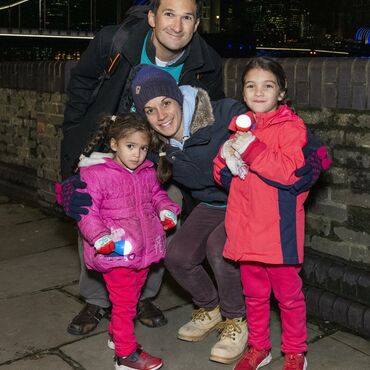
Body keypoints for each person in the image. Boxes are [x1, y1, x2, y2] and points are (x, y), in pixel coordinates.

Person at [61, 65, 331, 365]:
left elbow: (279, 126)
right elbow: (120, 161)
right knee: (177, 254)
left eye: (165, 102)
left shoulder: (224, 112)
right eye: (150, 110)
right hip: (213, 204)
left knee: (221, 251)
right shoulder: (153, 144)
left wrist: (316, 154)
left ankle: (236, 319)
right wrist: (78, 185)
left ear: (178, 97)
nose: (161, 114)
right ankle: (210, 307)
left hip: (253, 203)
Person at [59, 0, 225, 335]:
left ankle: (143, 294)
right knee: (93, 212)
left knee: (163, 215)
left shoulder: (207, 64)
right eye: (168, 14)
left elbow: (209, 117)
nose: (176, 26)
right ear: (152, 17)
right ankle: (96, 300)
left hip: (162, 154)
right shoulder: (114, 42)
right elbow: (80, 90)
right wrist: (73, 147)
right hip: (109, 144)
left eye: (186, 17)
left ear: (196, 24)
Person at [213, 57, 328, 370]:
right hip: (245, 229)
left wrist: (251, 150)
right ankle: (259, 347)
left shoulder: (292, 128)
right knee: (254, 296)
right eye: (251, 85)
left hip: (278, 232)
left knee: (289, 298)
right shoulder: (239, 127)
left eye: (267, 85)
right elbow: (223, 175)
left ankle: (295, 352)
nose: (258, 92)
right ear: (243, 92)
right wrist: (225, 159)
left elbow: (290, 174)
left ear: (281, 92)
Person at [77, 112, 180, 370]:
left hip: (143, 251)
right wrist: (99, 236)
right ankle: (126, 355)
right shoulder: (96, 174)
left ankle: (116, 334)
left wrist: (166, 210)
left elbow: (157, 195)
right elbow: (86, 211)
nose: (137, 154)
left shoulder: (146, 172)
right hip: (115, 251)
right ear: (114, 144)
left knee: (130, 300)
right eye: (130, 146)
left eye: (143, 148)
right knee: (124, 304)